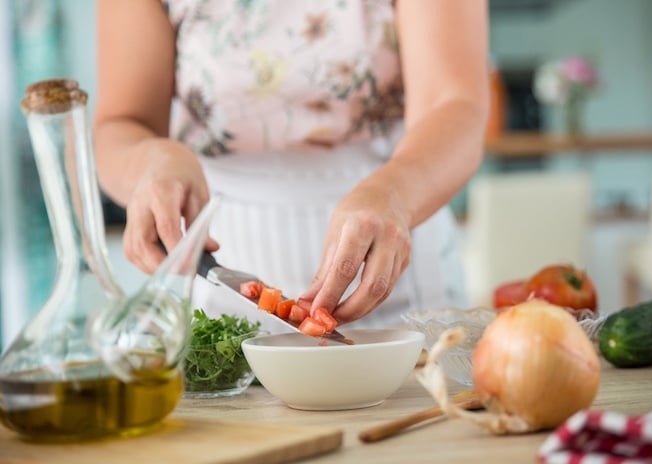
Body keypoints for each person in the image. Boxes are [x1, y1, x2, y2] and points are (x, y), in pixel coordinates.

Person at [94, 0, 489, 329]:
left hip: (402, 280)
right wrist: (153, 163)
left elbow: (455, 104)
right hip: (219, 288)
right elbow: (121, 125)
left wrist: (395, 194)